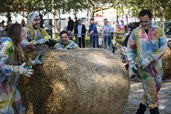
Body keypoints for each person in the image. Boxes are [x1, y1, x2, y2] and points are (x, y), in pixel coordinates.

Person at [127, 10, 167, 114]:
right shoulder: (135, 32)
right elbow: (131, 48)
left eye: (146, 21)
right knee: (152, 95)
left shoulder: (159, 31)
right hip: (143, 68)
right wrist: (131, 62)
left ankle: (140, 111)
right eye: (141, 22)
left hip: (157, 67)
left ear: (151, 19)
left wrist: (149, 58)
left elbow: (163, 47)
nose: (144, 24)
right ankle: (154, 109)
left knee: (155, 88)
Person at [0, 23, 35, 114]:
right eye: (23, 31)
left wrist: (33, 62)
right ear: (17, 33)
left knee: (21, 109)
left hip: (11, 86)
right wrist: (16, 69)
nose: (25, 34)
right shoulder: (8, 45)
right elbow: (0, 65)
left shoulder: (16, 46)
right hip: (2, 89)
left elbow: (20, 63)